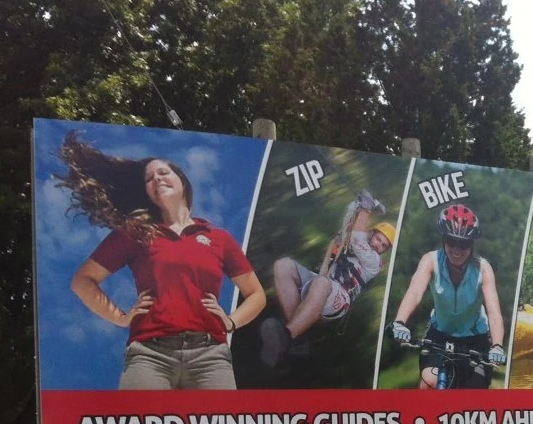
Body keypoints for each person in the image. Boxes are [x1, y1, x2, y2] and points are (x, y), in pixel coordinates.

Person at [63, 132, 265, 390]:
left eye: (163, 172)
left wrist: (231, 321)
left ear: (182, 180)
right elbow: (83, 281)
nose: (156, 179)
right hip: (150, 355)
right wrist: (121, 317)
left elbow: (257, 294)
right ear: (148, 193)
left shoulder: (219, 238)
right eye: (149, 179)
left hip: (210, 357)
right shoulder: (135, 233)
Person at [261, 192, 395, 367]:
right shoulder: (352, 240)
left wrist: (367, 208)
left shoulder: (375, 263)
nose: (378, 245)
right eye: (378, 238)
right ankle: (297, 339)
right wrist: (361, 204)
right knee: (283, 265)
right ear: (372, 233)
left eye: (384, 245)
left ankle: (286, 338)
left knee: (322, 283)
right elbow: (349, 225)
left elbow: (356, 239)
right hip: (321, 282)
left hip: (339, 298)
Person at [389, 204, 507, 389]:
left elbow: (494, 312)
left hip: (476, 340)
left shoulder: (483, 268)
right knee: (430, 383)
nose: (457, 250)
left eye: (464, 244)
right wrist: (400, 322)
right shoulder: (431, 260)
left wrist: (497, 345)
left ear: (472, 244)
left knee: (473, 397)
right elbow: (415, 291)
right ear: (444, 239)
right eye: (451, 241)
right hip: (440, 336)